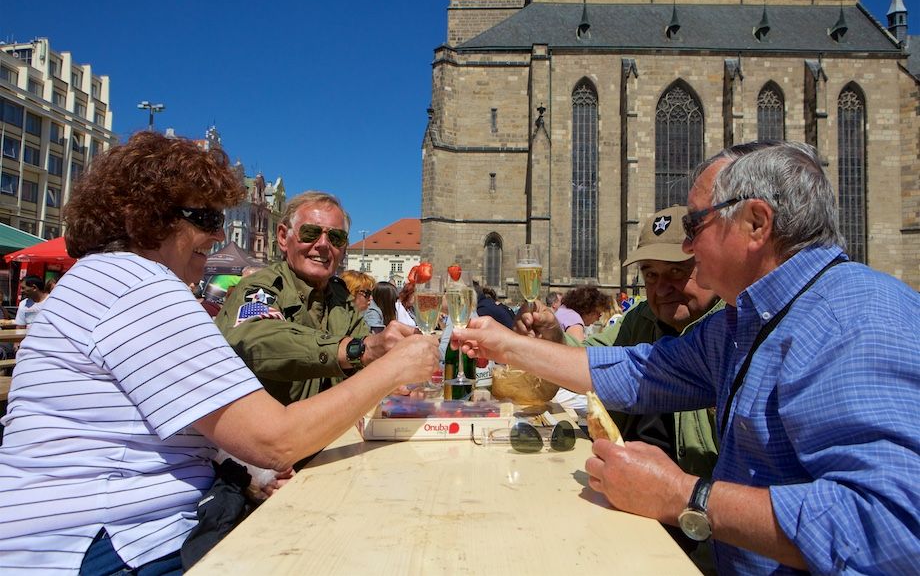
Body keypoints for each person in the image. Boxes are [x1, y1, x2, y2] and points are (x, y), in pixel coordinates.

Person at [454, 141, 920, 574]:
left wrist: (684, 496)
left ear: (756, 224)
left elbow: (896, 528)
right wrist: (505, 344)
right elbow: (639, 370)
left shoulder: (854, 318)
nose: (688, 247)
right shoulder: (749, 318)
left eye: (696, 226)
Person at [0, 131, 438, 574]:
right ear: (143, 216)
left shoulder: (106, 280)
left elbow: (170, 429)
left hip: (116, 529)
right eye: (203, 217)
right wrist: (381, 363)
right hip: (110, 544)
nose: (217, 233)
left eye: (219, 218)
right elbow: (273, 432)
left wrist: (251, 472)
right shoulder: (141, 288)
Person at [521, 205, 723, 570]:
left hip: (701, 532)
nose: (662, 288)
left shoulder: (730, 328)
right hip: (627, 510)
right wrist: (553, 338)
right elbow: (592, 360)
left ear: (707, 265)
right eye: (650, 274)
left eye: (677, 272)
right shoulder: (640, 317)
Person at [215, 191, 416, 405]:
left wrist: (394, 383)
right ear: (283, 237)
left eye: (336, 237)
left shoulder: (341, 297)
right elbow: (257, 339)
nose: (322, 244)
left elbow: (367, 359)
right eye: (310, 233)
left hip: (331, 430)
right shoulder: (262, 287)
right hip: (268, 431)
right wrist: (356, 349)